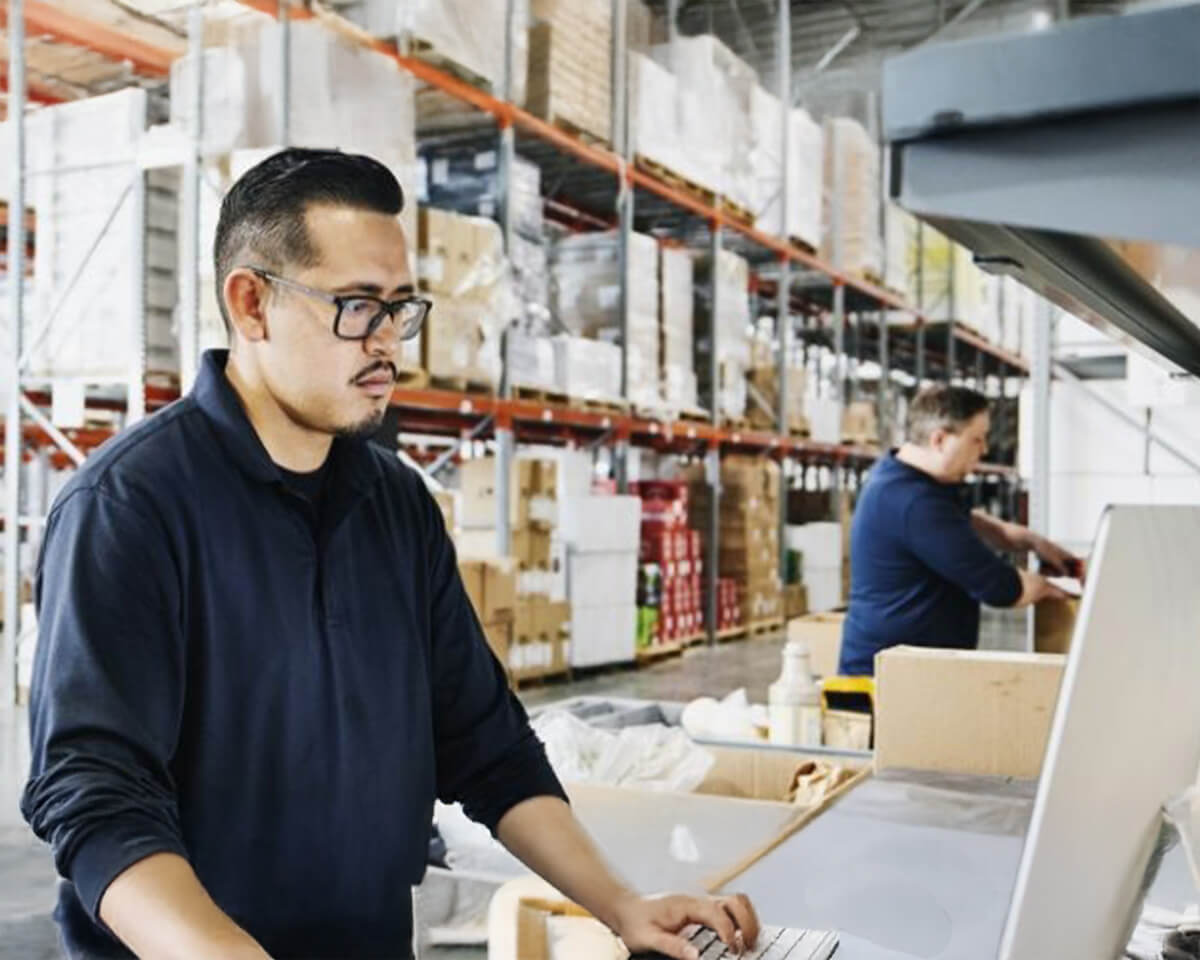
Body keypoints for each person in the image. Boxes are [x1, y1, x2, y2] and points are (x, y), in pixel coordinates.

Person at [21, 148, 758, 960]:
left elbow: (488, 746)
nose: (388, 345)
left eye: (400, 310)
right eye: (358, 307)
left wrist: (622, 903)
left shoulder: (396, 505)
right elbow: (96, 800)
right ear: (252, 303)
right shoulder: (130, 508)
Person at [839, 385, 1082, 676]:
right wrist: (1055, 589)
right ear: (939, 439)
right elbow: (1003, 588)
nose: (984, 450)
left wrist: (1031, 541)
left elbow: (961, 520)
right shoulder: (914, 503)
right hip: (887, 681)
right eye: (976, 440)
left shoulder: (901, 476)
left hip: (911, 671)